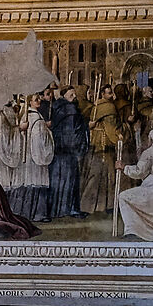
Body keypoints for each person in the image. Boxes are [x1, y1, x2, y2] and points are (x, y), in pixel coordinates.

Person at [118, 125, 153, 239]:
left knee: (123, 197)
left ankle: (132, 230)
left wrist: (124, 167)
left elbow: (139, 172)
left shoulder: (149, 152)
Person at [48, 88, 89, 218]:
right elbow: (74, 132)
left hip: (58, 151)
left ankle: (57, 210)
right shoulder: (71, 110)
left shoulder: (57, 108)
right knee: (69, 180)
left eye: (75, 93)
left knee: (58, 180)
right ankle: (70, 209)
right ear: (64, 95)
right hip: (68, 151)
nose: (74, 95)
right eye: (71, 93)